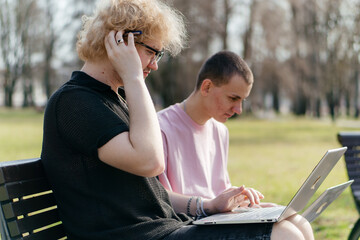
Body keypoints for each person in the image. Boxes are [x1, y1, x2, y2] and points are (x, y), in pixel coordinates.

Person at [40, 0, 312, 238]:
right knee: (284, 234)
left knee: (294, 222)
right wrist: (134, 77)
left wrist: (209, 206)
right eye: (151, 52)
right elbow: (150, 161)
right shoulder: (75, 102)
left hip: (167, 228)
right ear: (120, 41)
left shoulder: (112, 101)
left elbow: (151, 193)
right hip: (141, 236)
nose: (154, 65)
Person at [158, 50, 315, 239]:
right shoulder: (161, 127)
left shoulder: (220, 131)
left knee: (298, 222)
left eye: (242, 101)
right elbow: (159, 198)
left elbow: (219, 191)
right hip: (183, 224)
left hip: (214, 219)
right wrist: (208, 204)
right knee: (287, 234)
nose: (238, 110)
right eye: (233, 98)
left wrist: (241, 201)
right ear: (206, 87)